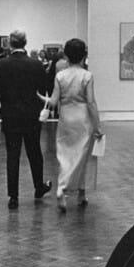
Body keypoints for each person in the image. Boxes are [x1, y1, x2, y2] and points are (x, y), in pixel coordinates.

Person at [39, 38, 102, 213]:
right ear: (84, 55)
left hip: (66, 117)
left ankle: (65, 188)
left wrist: (39, 96)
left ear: (66, 56)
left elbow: (53, 101)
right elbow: (91, 102)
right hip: (82, 118)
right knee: (84, 156)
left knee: (65, 155)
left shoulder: (60, 76)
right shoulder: (87, 76)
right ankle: (78, 192)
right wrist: (97, 125)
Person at [0, 29, 53, 209]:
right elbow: (42, 91)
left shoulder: (1, 65)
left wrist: (5, 107)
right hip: (31, 115)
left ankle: (13, 196)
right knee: (34, 151)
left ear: (10, 43)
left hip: (10, 114)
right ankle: (38, 186)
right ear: (25, 43)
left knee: (13, 154)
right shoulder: (36, 65)